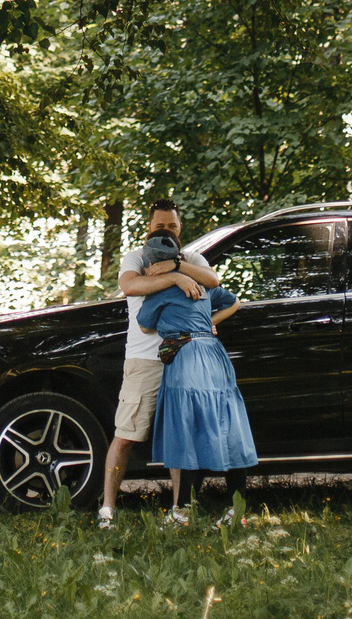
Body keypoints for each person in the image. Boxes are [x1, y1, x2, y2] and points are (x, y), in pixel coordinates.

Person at [98, 198, 218, 528]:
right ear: (148, 228)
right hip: (144, 360)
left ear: (181, 230)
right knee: (125, 435)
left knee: (181, 437)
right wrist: (175, 280)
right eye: (160, 227)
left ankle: (180, 513)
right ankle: (107, 509)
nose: (167, 232)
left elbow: (213, 280)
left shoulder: (191, 257)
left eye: (172, 227)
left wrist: (178, 267)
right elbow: (130, 285)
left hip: (184, 361)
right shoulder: (135, 258)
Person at [134, 235, 258, 523]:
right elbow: (234, 302)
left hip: (186, 357)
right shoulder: (201, 283)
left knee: (186, 429)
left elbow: (143, 325)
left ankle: (183, 511)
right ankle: (235, 509)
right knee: (229, 425)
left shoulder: (162, 292)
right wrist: (208, 324)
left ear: (154, 266)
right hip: (214, 355)